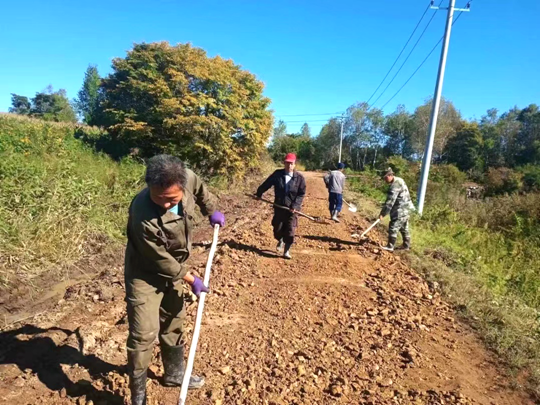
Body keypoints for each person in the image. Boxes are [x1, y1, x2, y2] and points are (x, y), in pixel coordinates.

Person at [124, 154, 225, 405]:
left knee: (174, 319)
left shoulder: (187, 178)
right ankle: (138, 397)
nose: (165, 204)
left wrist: (212, 211)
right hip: (145, 274)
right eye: (158, 197)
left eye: (172, 199)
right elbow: (158, 259)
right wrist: (190, 278)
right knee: (143, 334)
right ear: (149, 187)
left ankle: (175, 373)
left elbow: (200, 189)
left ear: (181, 185)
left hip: (175, 266)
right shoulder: (141, 213)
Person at [256, 153, 306, 260]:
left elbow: (301, 194)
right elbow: (267, 184)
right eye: (287, 163)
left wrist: (295, 206)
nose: (289, 166)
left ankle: (286, 251)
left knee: (290, 230)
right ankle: (280, 239)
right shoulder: (277, 174)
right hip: (279, 207)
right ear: (284, 163)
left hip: (292, 210)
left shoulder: (299, 178)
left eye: (291, 163)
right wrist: (259, 193)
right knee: (277, 230)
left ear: (294, 164)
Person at [379, 168, 414, 252]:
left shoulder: (395, 185)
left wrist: (382, 214)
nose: (384, 180)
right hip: (407, 208)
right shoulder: (399, 179)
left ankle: (390, 246)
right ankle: (406, 245)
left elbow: (390, 202)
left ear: (390, 175)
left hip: (401, 209)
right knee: (404, 227)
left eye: (385, 178)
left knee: (393, 226)